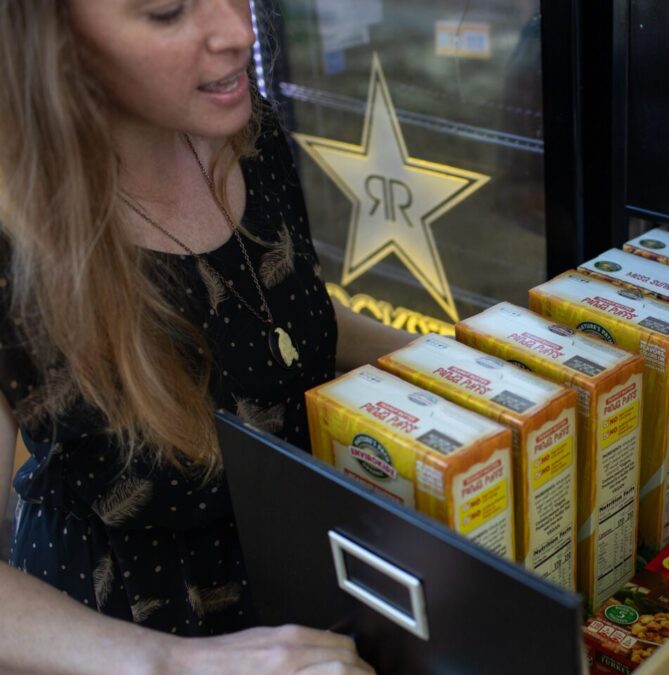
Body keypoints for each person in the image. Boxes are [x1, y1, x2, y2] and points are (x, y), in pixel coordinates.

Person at [0, 0, 413, 671]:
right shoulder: (13, 239)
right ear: (50, 40)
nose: (240, 31)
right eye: (167, 11)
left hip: (302, 560)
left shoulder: (251, 134)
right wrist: (179, 664)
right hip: (131, 622)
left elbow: (282, 321)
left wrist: (461, 360)